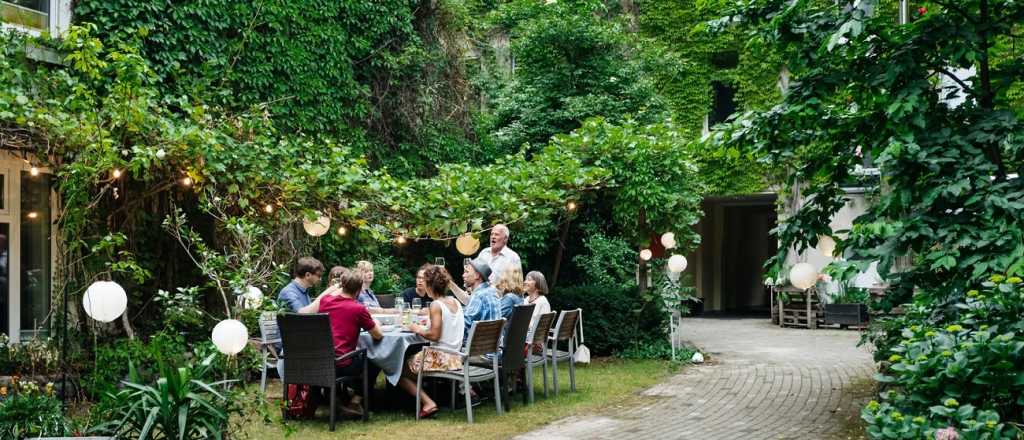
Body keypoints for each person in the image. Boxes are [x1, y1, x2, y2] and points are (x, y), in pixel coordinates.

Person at [300, 268, 383, 416]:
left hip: (320, 360)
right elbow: (377, 335)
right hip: (341, 364)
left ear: (342, 285)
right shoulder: (358, 308)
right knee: (375, 360)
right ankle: (355, 402)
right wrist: (375, 322)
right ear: (359, 290)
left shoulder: (325, 301)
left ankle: (338, 399)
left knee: (358, 357)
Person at [398, 264, 464, 419]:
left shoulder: (436, 305)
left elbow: (434, 335)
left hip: (441, 358)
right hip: (457, 356)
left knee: (398, 370)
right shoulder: (455, 302)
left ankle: (428, 403)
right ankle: (421, 396)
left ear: (429, 285)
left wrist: (415, 328)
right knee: (409, 362)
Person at [459, 260, 500, 341]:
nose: (463, 275)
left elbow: (464, 325)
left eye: (467, 272)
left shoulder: (479, 295)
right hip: (490, 345)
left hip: (475, 347)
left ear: (477, 275)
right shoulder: (491, 291)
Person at [524, 271, 552, 348]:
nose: (525, 282)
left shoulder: (543, 302)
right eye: (525, 279)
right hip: (524, 337)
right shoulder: (526, 299)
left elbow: (542, 328)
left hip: (534, 344)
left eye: (529, 280)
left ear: (538, 285)